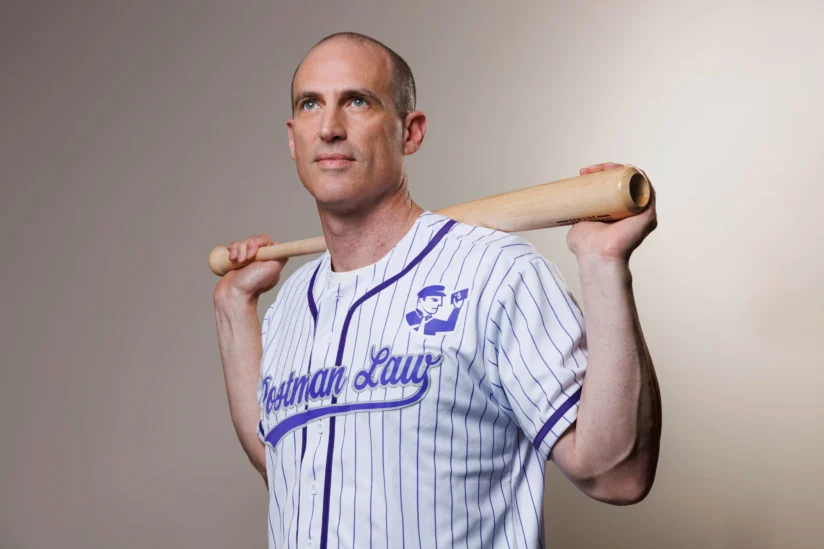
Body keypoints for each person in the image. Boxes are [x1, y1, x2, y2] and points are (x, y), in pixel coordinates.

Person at [213, 31, 661, 549]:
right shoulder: (291, 303)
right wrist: (233, 309)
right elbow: (285, 469)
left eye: (357, 101)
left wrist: (604, 264)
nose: (330, 128)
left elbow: (618, 475)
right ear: (293, 139)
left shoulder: (496, 272)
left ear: (411, 132)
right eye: (311, 104)